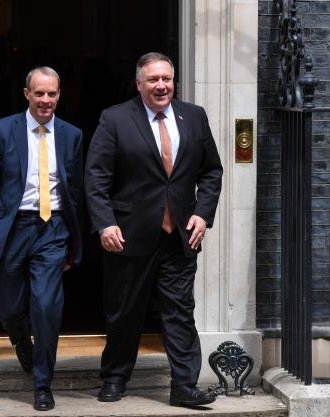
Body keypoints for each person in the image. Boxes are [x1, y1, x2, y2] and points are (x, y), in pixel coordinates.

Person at [85, 52, 223, 407]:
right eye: (153, 80)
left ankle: (184, 386)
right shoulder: (115, 119)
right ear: (139, 84)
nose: (161, 85)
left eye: (166, 79)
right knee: (124, 312)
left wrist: (202, 213)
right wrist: (105, 223)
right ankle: (115, 377)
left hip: (179, 235)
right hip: (128, 236)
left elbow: (211, 171)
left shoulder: (193, 117)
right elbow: (96, 178)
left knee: (179, 312)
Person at [0, 67, 83, 411]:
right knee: (7, 307)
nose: (46, 100)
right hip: (13, 228)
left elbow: (76, 190)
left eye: (51, 94)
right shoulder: (1, 131)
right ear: (27, 95)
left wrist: (74, 242)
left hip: (53, 229)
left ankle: (42, 383)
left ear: (59, 95)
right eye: (39, 94)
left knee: (47, 306)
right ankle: (21, 341)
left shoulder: (72, 135)